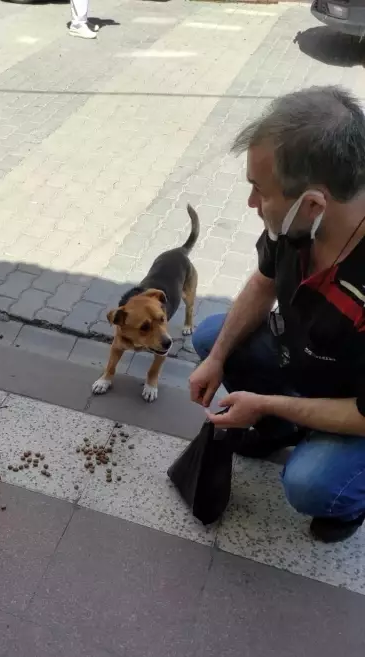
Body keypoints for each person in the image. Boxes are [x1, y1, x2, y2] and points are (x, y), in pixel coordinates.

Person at [189, 85, 365, 543]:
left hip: (356, 405)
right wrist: (218, 358)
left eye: (258, 190)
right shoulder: (299, 225)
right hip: (305, 360)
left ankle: (350, 501)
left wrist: (264, 403)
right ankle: (284, 425)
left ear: (312, 203)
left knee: (310, 483)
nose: (251, 204)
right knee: (212, 338)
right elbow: (263, 282)